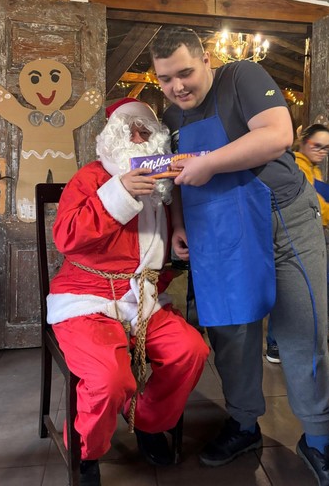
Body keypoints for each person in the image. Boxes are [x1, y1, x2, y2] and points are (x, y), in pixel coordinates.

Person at [150, 27, 329, 486]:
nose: (177, 86)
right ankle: (243, 424)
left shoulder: (241, 76)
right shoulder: (170, 117)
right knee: (232, 335)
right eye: (166, 78)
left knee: (302, 331)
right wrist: (178, 223)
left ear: (206, 60)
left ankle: (318, 441)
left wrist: (209, 163)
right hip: (220, 229)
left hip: (284, 220)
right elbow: (176, 175)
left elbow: (277, 134)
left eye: (185, 73)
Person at [47, 97, 209, 486]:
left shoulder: (162, 187)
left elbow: (152, 254)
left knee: (191, 351)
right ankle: (86, 451)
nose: (137, 137)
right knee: (110, 380)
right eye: (129, 131)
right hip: (86, 300)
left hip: (144, 300)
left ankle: (146, 420)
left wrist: (177, 244)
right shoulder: (89, 178)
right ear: (111, 137)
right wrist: (118, 192)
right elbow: (65, 237)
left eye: (145, 131)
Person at [265, 123, 329, 364]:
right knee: (290, 291)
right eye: (317, 146)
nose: (322, 151)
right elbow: (315, 203)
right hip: (295, 238)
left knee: (297, 292)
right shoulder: (297, 167)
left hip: (309, 235)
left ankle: (291, 345)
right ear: (304, 142)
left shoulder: (315, 169)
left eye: (326, 148)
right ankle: (276, 344)